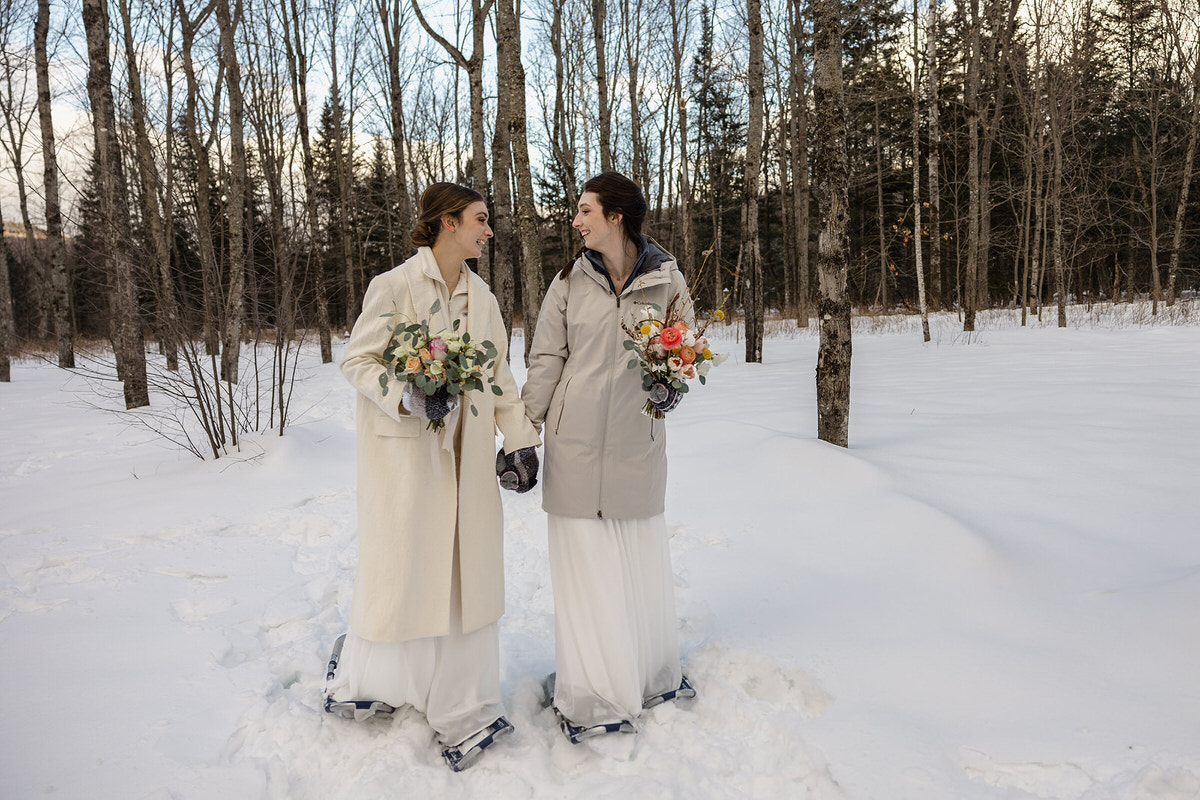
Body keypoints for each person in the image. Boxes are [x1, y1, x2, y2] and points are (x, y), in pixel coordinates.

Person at [326, 183, 541, 772]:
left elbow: (499, 380)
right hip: (408, 459)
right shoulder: (393, 286)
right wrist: (406, 397)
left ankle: (462, 695)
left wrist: (521, 444)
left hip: (467, 459)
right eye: (480, 219)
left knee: (464, 571)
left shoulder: (486, 300)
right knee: (406, 569)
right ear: (447, 223)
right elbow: (357, 361)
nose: (488, 230)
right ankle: (384, 680)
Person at [521, 171, 696, 744]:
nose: (576, 220)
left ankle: (643, 675)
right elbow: (547, 358)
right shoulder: (569, 281)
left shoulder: (667, 281)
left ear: (616, 216)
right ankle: (592, 687)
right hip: (573, 446)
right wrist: (523, 436)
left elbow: (685, 348)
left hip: (633, 447)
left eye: (586, 210)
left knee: (633, 565)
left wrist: (674, 380)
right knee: (585, 572)